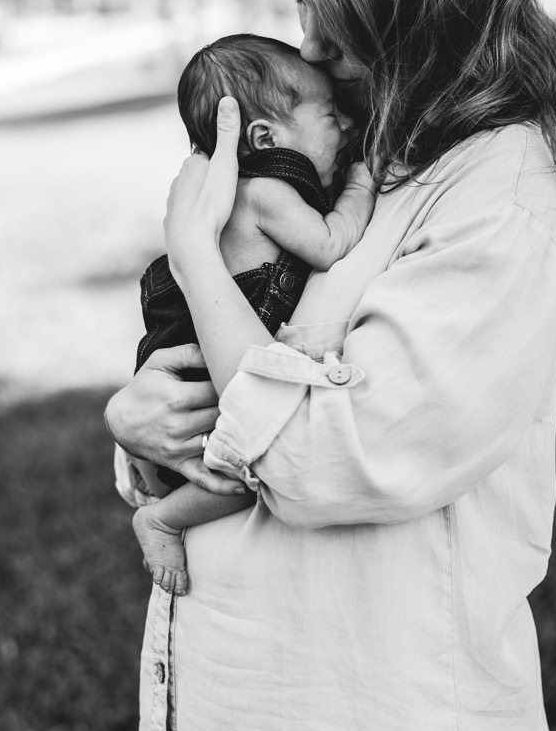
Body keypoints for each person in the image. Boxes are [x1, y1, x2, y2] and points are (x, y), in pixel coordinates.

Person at [106, 0, 556, 731]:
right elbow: (259, 345)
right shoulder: (353, 152)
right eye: (295, 0)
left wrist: (193, 256)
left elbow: (343, 453)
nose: (312, 40)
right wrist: (140, 416)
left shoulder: (505, 184)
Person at [129, 34, 376, 596]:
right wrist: (362, 181)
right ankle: (163, 517)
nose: (346, 127)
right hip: (217, 370)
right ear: (265, 137)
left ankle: (151, 486)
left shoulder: (231, 197)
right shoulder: (266, 193)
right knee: (250, 469)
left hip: (183, 350)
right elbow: (331, 242)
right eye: (330, 115)